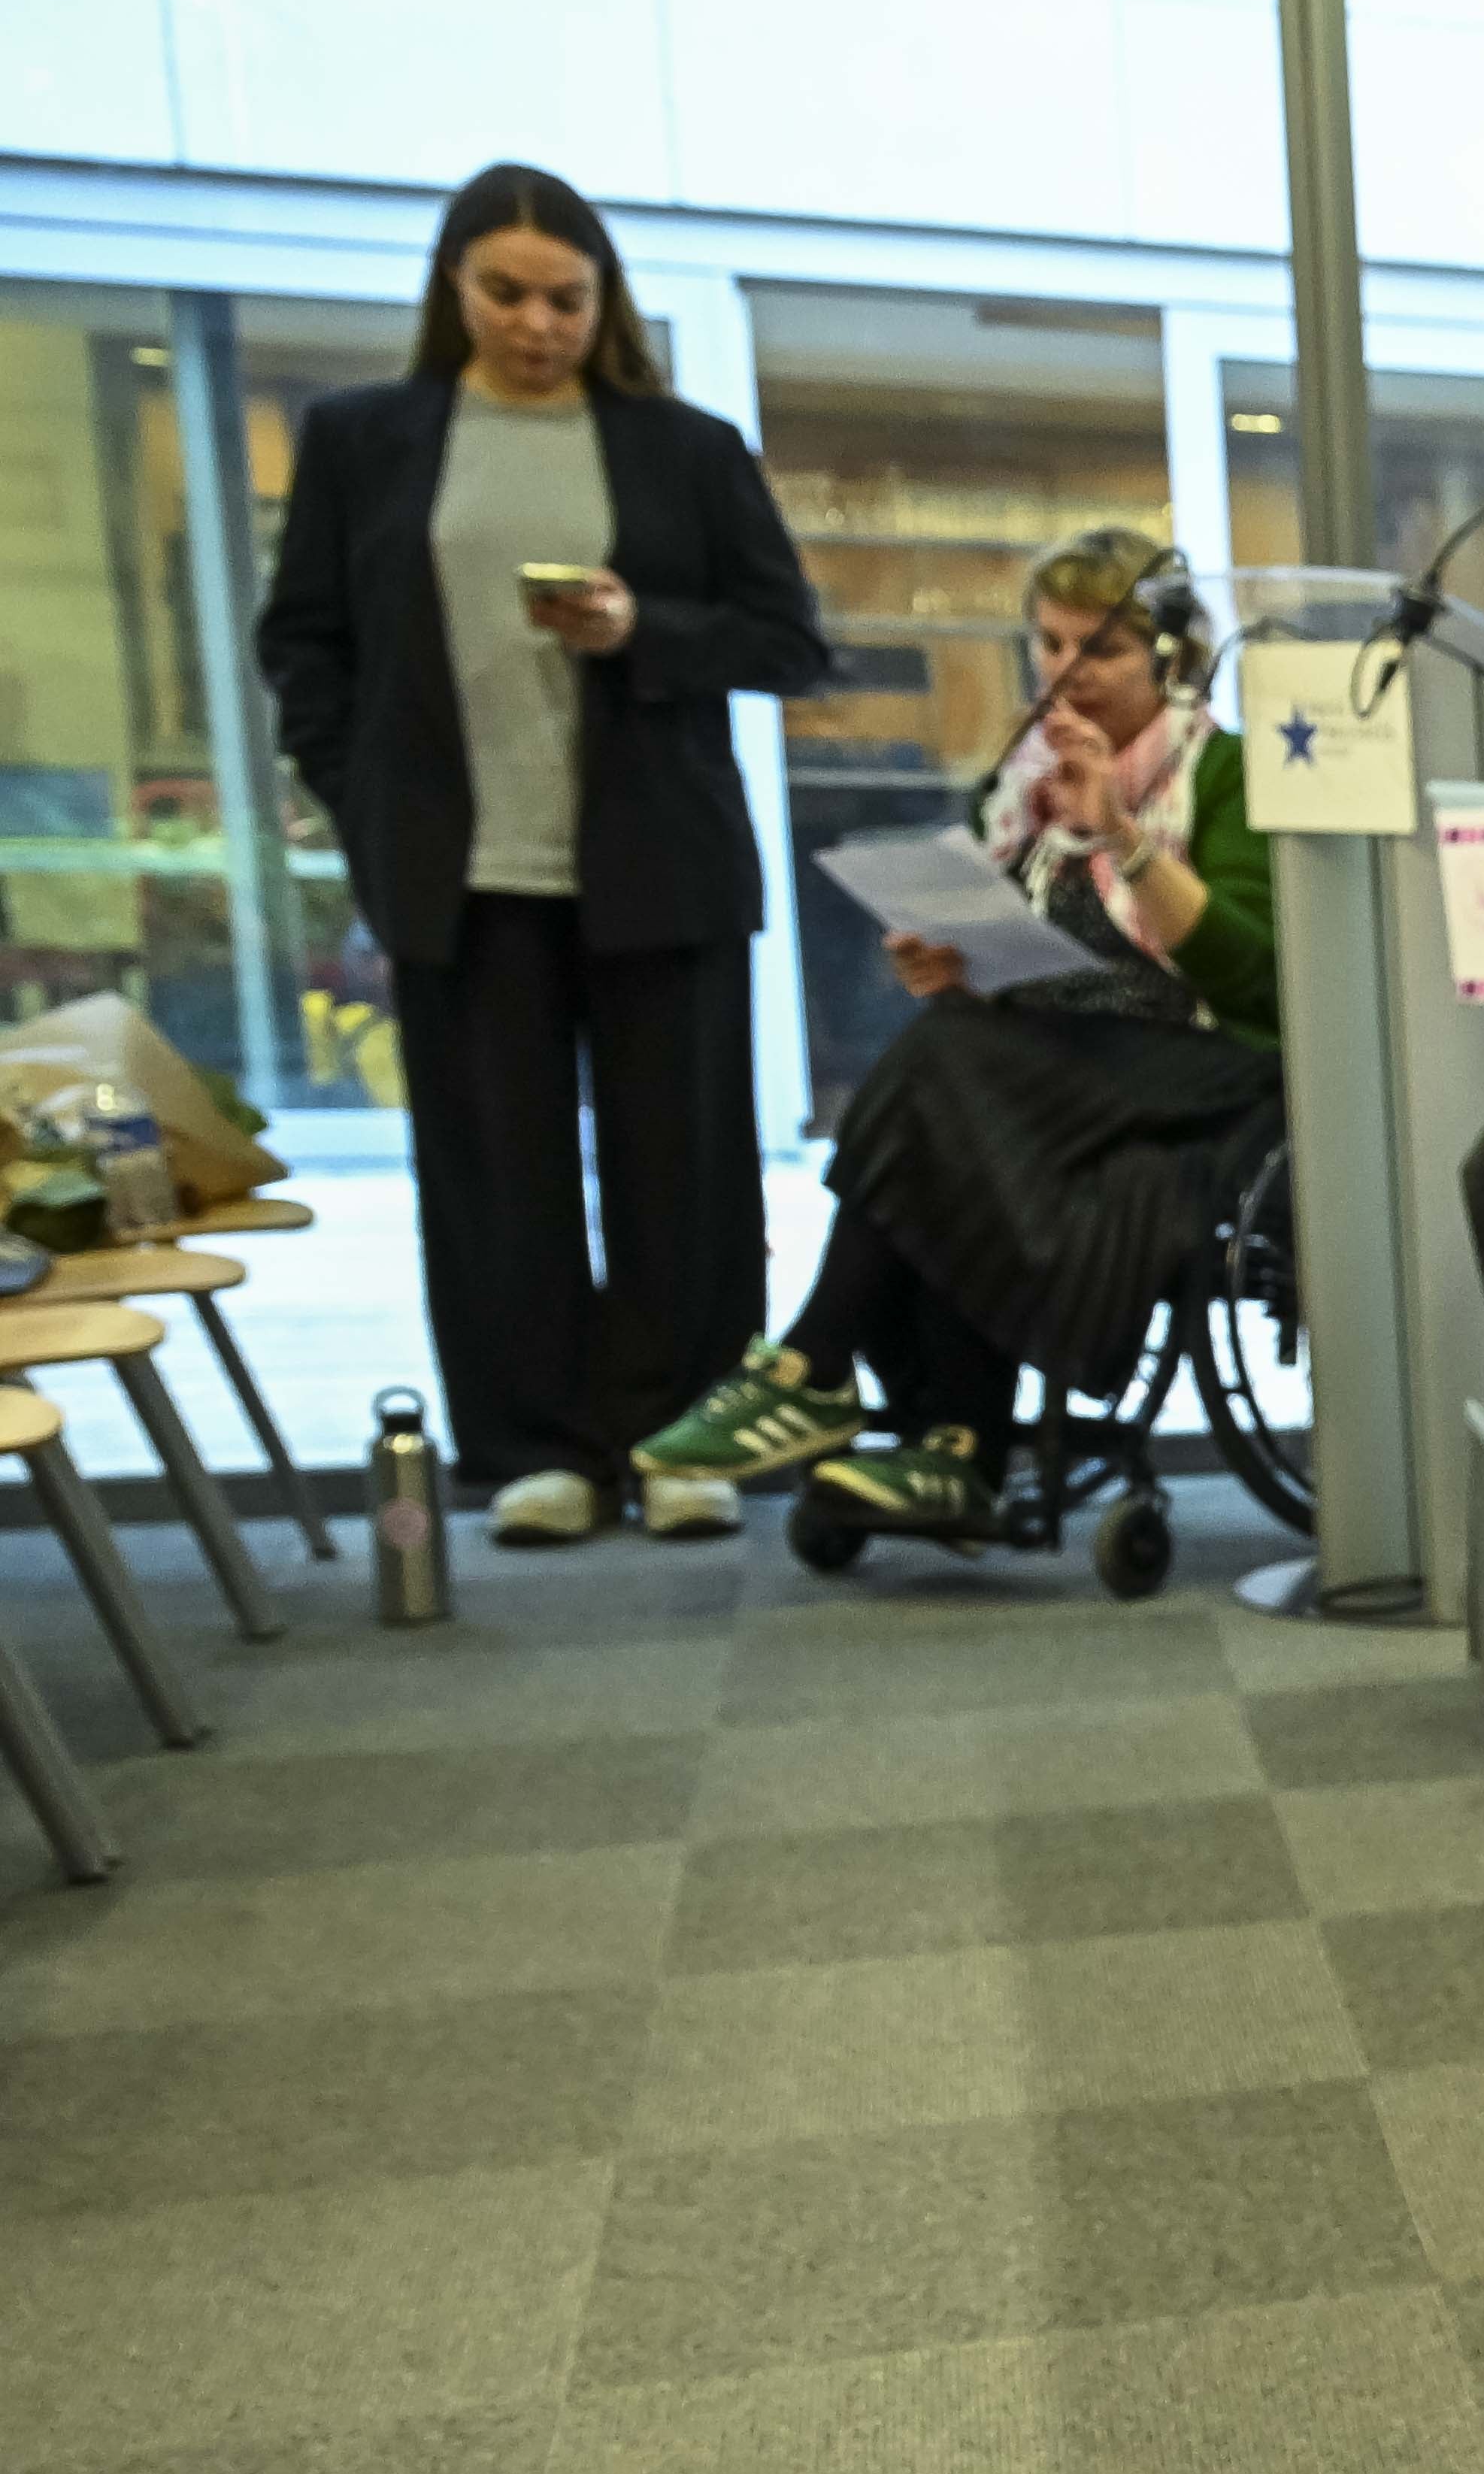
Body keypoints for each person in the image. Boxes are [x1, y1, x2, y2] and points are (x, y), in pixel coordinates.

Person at [255, 162, 828, 1543]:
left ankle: (678, 1438)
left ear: (604, 299)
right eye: (505, 293)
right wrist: (367, 804)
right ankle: (534, 1447)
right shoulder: (365, 441)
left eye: (566, 297)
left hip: (660, 867)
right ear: (456, 289)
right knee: (491, 1172)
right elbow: (306, 648)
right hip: (462, 873)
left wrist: (648, 630)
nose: (536, 322)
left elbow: (790, 640)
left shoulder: (681, 446)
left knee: (679, 1170)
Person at [632, 534, 1281, 1539]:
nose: (1065, 671)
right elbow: (995, 949)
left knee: (947, 1077)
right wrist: (941, 964)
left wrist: (1122, 833)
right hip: (1051, 1059)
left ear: (1167, 660)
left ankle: (811, 1366)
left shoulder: (1229, 772)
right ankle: (956, 1451)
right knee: (954, 1067)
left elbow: (1256, 971)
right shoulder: (1019, 785)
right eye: (1048, 643)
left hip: (1200, 1063)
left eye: (1098, 650)